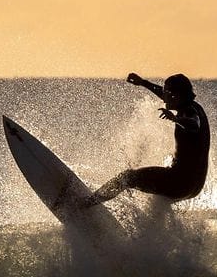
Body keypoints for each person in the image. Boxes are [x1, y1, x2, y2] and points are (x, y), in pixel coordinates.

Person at [86, 73, 210, 206]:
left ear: (176, 96)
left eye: (167, 93)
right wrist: (143, 83)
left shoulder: (189, 114)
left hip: (178, 182)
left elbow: (194, 124)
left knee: (127, 178)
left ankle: (85, 204)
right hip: (194, 186)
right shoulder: (194, 107)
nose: (164, 97)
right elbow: (166, 95)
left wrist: (175, 119)